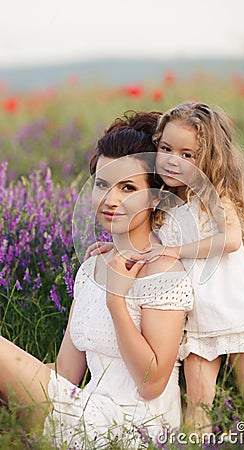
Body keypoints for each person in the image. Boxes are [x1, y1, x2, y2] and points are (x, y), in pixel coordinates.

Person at [85, 101, 244, 434]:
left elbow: (232, 239)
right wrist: (116, 245)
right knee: (198, 399)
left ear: (209, 159)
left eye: (187, 154)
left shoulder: (215, 195)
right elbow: (150, 242)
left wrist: (177, 249)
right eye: (165, 148)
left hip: (232, 307)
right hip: (196, 315)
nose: (173, 160)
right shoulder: (166, 201)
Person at [0, 111, 194, 448]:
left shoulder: (162, 271)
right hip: (84, 411)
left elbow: (153, 383)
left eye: (128, 188)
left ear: (155, 197)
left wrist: (116, 300)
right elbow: (64, 375)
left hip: (134, 429)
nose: (111, 199)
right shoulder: (91, 268)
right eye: (102, 184)